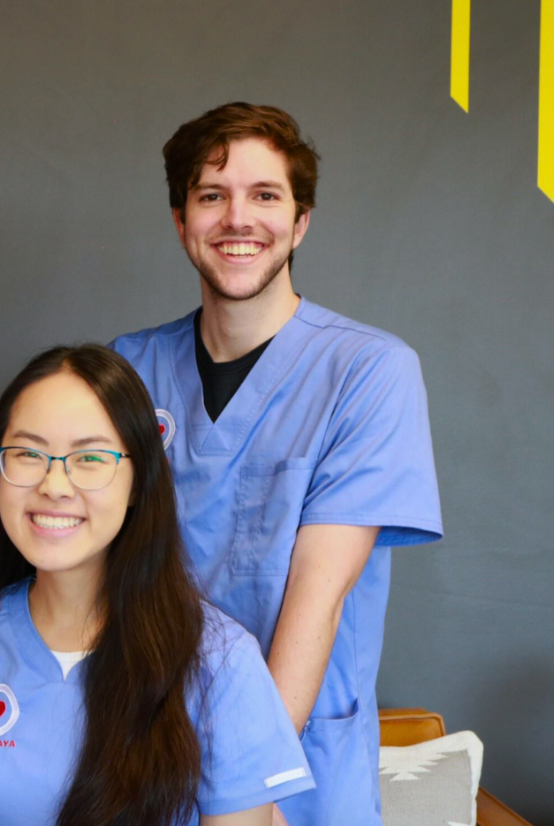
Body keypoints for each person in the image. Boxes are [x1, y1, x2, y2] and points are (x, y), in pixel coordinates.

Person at [109, 102, 443, 824]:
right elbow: (78, 560)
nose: (238, 218)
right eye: (211, 196)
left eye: (265, 196)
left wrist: (248, 784)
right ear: (180, 222)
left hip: (294, 770)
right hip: (143, 753)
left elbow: (317, 599)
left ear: (300, 222)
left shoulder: (368, 371)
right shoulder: (126, 371)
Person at [0, 344, 314, 825]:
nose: (54, 485)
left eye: (89, 458)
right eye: (27, 453)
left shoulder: (220, 663)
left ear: (139, 480)